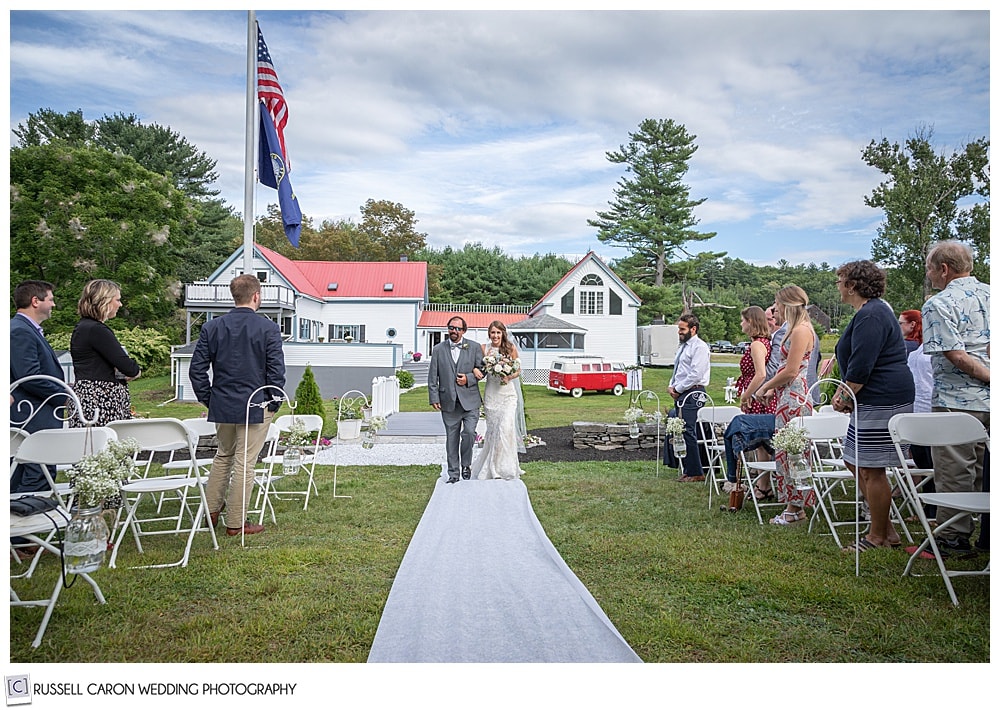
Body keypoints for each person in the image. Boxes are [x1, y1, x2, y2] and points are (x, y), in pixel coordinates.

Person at [189, 275, 286, 537]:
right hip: (256, 403)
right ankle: (236, 522)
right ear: (256, 296)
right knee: (245, 462)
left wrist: (209, 398)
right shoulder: (268, 329)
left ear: (235, 297)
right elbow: (276, 370)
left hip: (224, 403)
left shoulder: (213, 327)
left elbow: (196, 370)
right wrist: (274, 401)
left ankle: (210, 512)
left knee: (223, 456)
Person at [831, 260, 914, 551]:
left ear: (852, 285)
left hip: (882, 396)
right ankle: (887, 531)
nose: (838, 287)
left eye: (840, 281)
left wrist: (844, 395)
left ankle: (876, 537)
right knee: (854, 461)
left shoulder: (872, 314)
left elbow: (862, 364)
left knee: (872, 468)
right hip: (871, 397)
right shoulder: (870, 311)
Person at [921, 240, 989, 556]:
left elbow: (956, 356)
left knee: (955, 472)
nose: (930, 275)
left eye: (930, 269)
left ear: (944, 269)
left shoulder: (938, 304)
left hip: (957, 401)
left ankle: (953, 539)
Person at [757, 285, 816, 525]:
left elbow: (792, 370)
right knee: (784, 450)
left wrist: (764, 386)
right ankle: (792, 506)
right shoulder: (792, 329)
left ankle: (796, 508)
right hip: (785, 394)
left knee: (793, 451)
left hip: (795, 396)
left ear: (788, 304)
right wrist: (773, 387)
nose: (774, 308)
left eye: (777, 303)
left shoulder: (801, 330)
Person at [9, 280, 67, 493]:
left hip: (37, 411)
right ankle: (25, 518)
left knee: (38, 469)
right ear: (35, 301)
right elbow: (29, 376)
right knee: (35, 470)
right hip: (31, 413)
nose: (53, 305)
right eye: (50, 299)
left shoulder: (26, 329)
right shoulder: (19, 331)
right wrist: (64, 396)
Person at [69, 279, 141, 427]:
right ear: (105, 301)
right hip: (100, 400)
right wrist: (135, 371)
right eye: (118, 300)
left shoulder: (82, 327)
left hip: (85, 396)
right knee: (103, 446)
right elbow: (129, 367)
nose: (120, 305)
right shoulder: (97, 330)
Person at [428, 316, 485, 483]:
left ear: (464, 331)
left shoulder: (474, 347)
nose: (454, 331)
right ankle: (453, 473)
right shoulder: (438, 349)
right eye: (452, 328)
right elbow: (433, 376)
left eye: (458, 329)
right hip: (448, 401)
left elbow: (482, 370)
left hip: (470, 401)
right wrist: (434, 397)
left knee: (468, 433)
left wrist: (469, 378)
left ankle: (466, 465)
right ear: (448, 329)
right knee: (451, 438)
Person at [470, 321, 526, 481]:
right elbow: (478, 366)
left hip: (508, 394)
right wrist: (475, 369)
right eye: (493, 332)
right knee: (493, 431)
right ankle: (491, 466)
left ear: (503, 334)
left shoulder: (510, 348)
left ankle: (505, 467)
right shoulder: (484, 349)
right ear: (489, 334)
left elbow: (518, 369)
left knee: (506, 428)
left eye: (498, 333)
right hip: (492, 394)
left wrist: (509, 375)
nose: (495, 336)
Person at [734, 306, 776, 499]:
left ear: (751, 321)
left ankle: (763, 486)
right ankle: (763, 484)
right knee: (762, 444)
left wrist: (746, 395)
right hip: (758, 395)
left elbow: (761, 374)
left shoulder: (757, 345)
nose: (741, 323)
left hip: (758, 398)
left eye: (743, 320)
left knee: (761, 442)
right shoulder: (764, 342)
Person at [665, 314, 711, 482]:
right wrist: (672, 386)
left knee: (688, 431)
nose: (679, 332)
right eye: (679, 329)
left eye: (682, 329)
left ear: (693, 329)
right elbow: (678, 369)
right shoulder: (683, 347)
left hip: (693, 392)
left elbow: (695, 374)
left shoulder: (699, 347)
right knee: (682, 431)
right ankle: (688, 468)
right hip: (682, 391)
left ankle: (696, 471)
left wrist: (678, 388)